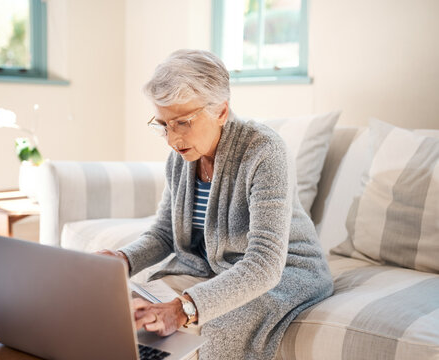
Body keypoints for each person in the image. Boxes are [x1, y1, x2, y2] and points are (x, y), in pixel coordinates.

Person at [97, 49, 333, 360]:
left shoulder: (265, 151)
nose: (172, 139)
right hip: (214, 267)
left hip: (287, 272)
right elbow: (165, 234)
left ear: (221, 111)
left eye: (182, 122)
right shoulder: (180, 158)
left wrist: (185, 308)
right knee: (134, 306)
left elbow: (264, 263)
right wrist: (121, 260)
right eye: (164, 124)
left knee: (223, 324)